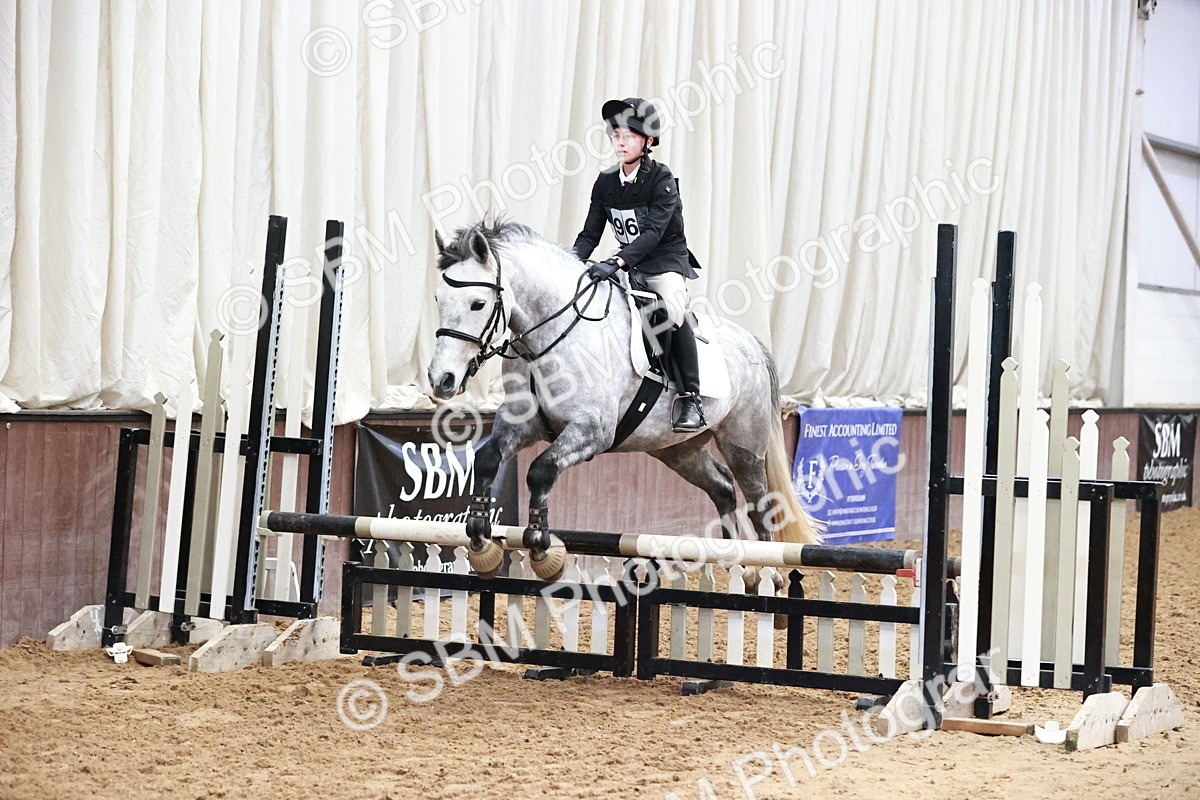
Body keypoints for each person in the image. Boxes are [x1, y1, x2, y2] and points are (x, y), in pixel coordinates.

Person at [571, 97, 706, 432]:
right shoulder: (605, 182)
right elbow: (590, 232)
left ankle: (691, 397)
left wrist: (616, 261)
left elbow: (653, 234)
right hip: (631, 265)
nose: (619, 141)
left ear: (647, 142)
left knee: (673, 312)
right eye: (615, 134)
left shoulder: (661, 179)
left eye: (628, 135)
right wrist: (571, 263)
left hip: (664, 262)